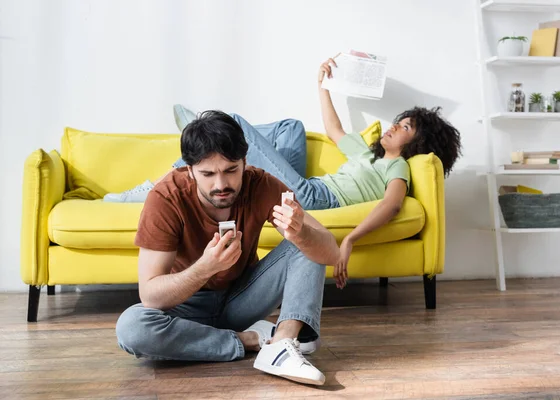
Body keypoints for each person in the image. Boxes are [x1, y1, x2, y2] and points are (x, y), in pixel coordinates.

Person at [106, 55, 462, 286]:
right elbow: (334, 130)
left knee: (237, 125)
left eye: (405, 127)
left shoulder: (397, 166)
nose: (393, 126)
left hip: (316, 199)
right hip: (309, 185)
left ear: (418, 143)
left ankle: (189, 152)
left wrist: (350, 238)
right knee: (292, 126)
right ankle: (199, 151)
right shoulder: (367, 153)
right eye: (397, 121)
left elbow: (392, 205)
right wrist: (322, 86)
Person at [115, 110, 340, 386]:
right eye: (208, 174)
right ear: (189, 170)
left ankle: (282, 343)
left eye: (231, 170)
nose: (221, 184)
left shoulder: (261, 184)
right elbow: (150, 295)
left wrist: (301, 232)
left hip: (241, 299)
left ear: (245, 162)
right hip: (184, 308)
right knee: (131, 328)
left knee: (306, 243)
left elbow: (331, 252)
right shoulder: (165, 198)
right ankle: (249, 340)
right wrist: (205, 268)